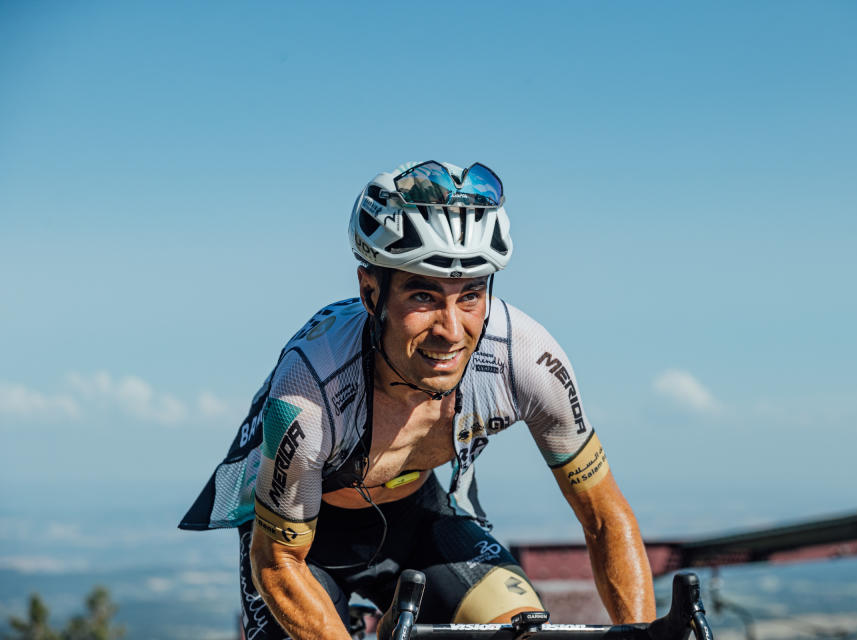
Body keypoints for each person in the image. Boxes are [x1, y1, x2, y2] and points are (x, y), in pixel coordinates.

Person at [180, 161, 656, 640]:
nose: (452, 331)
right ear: (370, 292)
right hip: (302, 544)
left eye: (470, 295)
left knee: (520, 631)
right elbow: (278, 560)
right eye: (424, 296)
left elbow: (604, 516)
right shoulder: (309, 391)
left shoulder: (527, 359)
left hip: (419, 516)